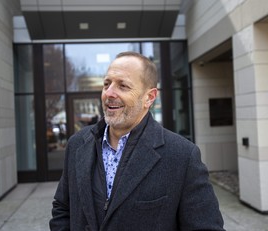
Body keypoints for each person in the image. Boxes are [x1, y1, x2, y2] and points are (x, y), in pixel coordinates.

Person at [50, 51, 225, 231]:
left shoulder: (182, 156)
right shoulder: (77, 144)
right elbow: (63, 209)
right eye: (106, 84)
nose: (109, 93)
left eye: (123, 86)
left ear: (149, 98)